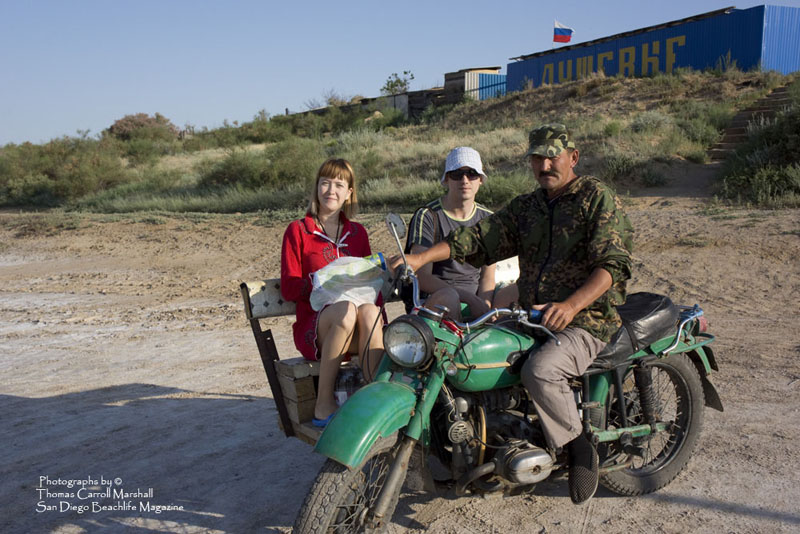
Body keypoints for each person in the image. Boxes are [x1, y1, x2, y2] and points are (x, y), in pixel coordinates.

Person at [394, 124, 633, 504]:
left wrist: (571, 305)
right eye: (537, 157)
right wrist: (421, 256)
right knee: (470, 351)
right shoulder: (528, 207)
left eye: (553, 155)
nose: (545, 164)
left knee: (540, 370)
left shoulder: (595, 198)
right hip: (531, 314)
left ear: (573, 158)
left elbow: (614, 264)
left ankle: (579, 445)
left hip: (587, 319)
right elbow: (477, 237)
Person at [280, 158, 384, 427]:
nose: (331, 190)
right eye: (325, 183)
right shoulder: (299, 231)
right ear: (316, 188)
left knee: (371, 311)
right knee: (345, 309)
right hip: (317, 328)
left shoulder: (358, 233)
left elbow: (370, 284)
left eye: (339, 184)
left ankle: (372, 400)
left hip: (358, 329)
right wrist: (326, 283)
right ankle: (323, 404)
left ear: (349, 192)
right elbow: (290, 287)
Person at [405, 147, 496, 321]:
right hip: (436, 299)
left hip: (476, 297)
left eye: (472, 174)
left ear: (481, 180)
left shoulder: (490, 219)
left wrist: (485, 308)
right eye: (456, 174)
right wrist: (470, 299)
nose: (465, 180)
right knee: (449, 298)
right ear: (446, 179)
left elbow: (488, 276)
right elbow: (422, 276)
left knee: (514, 293)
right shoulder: (428, 216)